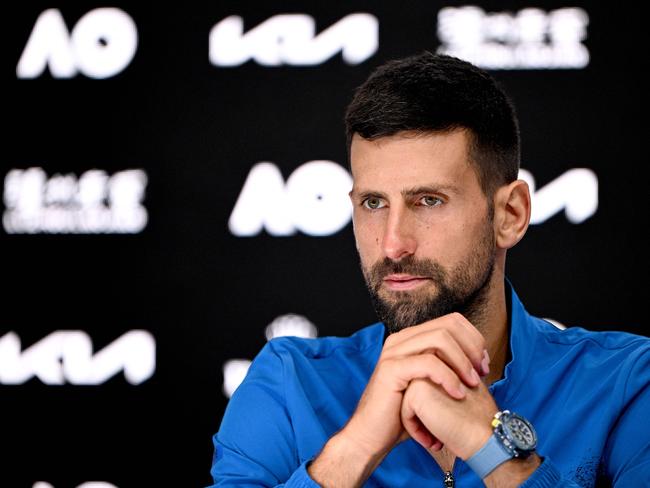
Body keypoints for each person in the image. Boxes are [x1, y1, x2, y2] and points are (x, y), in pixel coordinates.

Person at [208, 52, 650, 487]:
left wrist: (492, 448)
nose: (394, 243)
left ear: (510, 214)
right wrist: (356, 447)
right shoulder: (290, 382)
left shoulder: (626, 382)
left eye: (429, 201)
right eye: (374, 203)